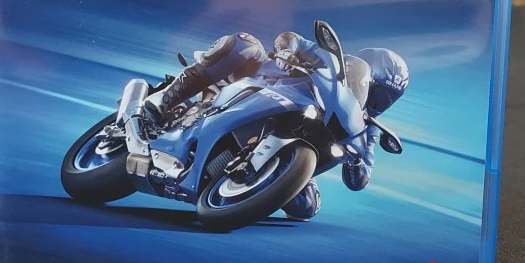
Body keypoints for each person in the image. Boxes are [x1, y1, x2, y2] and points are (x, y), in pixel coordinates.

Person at [144, 29, 409, 221]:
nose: (378, 102)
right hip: (264, 86)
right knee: (245, 45)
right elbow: (293, 38)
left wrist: (356, 161)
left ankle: (245, 181)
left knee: (306, 208)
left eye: (386, 99)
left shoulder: (365, 127)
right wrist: (288, 51)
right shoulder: (331, 66)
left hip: (300, 140)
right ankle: (163, 101)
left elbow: (359, 180)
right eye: (377, 92)